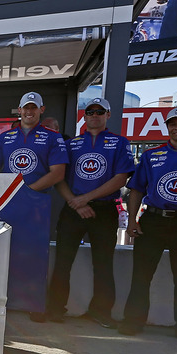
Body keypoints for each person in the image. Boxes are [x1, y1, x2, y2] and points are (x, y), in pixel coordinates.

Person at [45, 98, 135, 326]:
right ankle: (54, 309)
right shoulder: (71, 144)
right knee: (63, 261)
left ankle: (101, 312)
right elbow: (59, 178)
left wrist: (86, 199)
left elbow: (121, 179)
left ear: (108, 115)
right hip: (73, 209)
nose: (94, 115)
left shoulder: (120, 142)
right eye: (90, 111)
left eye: (100, 111)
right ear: (84, 117)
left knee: (103, 263)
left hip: (104, 211)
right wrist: (77, 203)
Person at [120, 106, 177, 339]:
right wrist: (132, 220)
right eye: (173, 124)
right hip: (154, 220)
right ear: (167, 127)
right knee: (141, 275)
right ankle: (133, 321)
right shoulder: (151, 155)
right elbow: (136, 189)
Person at [0, 92, 67, 192]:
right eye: (26, 107)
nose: (29, 111)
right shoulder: (4, 137)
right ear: (19, 110)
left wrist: (27, 190)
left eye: (33, 107)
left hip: (38, 198)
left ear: (42, 109)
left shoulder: (53, 136)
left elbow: (58, 173)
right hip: (8, 198)